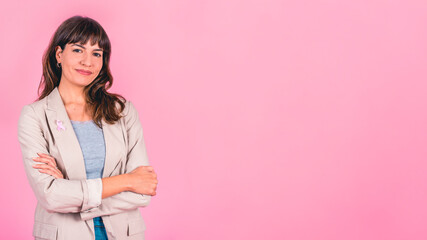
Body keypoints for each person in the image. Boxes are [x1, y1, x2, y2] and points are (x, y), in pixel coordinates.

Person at [17, 15, 158, 240]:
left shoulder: (123, 111)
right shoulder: (35, 116)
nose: (87, 61)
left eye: (97, 53)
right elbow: (51, 197)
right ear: (59, 54)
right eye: (78, 50)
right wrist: (126, 181)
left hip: (124, 233)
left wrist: (70, 193)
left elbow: (143, 192)